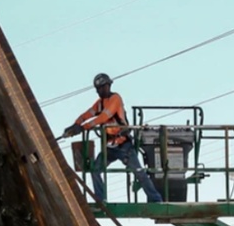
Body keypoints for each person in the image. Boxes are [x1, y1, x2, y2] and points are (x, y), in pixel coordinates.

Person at [63, 73, 163, 203]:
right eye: (97, 89)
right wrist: (75, 124)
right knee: (95, 169)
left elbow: (103, 117)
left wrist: (83, 127)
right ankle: (101, 199)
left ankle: (156, 199)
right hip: (109, 147)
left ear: (108, 86)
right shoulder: (100, 103)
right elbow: (87, 114)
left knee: (140, 173)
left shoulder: (115, 99)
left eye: (102, 87)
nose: (99, 91)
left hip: (124, 146)